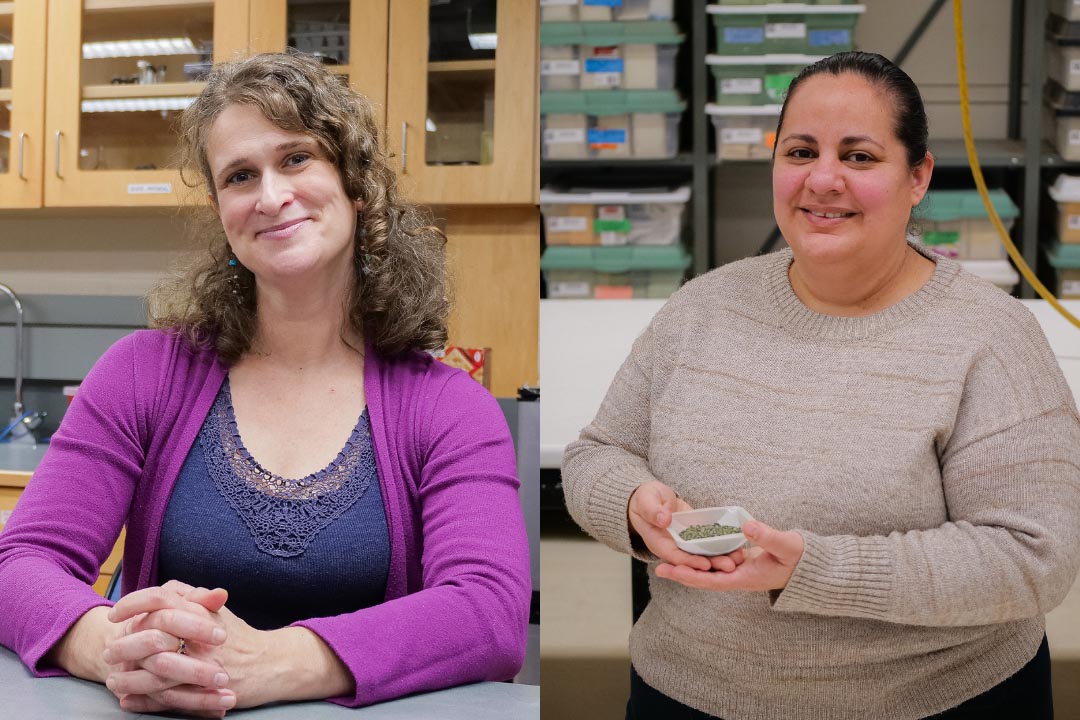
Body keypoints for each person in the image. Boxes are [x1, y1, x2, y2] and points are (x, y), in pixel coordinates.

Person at [0, 51, 530, 718]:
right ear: (222, 211)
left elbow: (488, 613)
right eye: (240, 175)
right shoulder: (142, 374)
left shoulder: (450, 408)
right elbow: (19, 561)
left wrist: (272, 663)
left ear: (356, 187)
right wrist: (110, 646)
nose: (271, 196)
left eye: (297, 158)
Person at [562, 51, 1080, 720]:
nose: (823, 179)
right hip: (686, 693)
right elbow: (594, 455)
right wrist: (634, 504)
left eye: (860, 157)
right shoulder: (701, 308)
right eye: (801, 151)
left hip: (931, 704)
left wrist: (813, 569)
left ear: (917, 176)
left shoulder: (990, 337)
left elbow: (1034, 557)